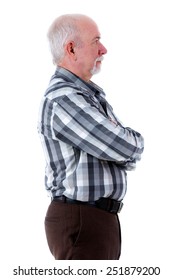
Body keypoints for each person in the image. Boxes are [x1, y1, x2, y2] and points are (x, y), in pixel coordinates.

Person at [37, 13, 144, 260]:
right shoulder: (64, 98)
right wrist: (129, 145)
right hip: (83, 221)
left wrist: (125, 147)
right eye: (96, 41)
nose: (103, 49)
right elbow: (125, 147)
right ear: (71, 48)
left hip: (95, 221)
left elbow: (123, 149)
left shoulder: (87, 95)